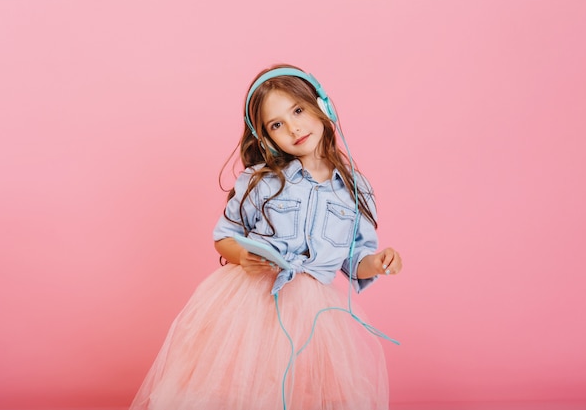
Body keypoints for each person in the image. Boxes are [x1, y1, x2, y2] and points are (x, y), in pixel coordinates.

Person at [129, 64, 403, 410]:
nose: (293, 127)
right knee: (241, 387)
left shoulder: (354, 189)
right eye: (277, 124)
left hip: (315, 311)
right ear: (265, 137)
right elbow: (224, 237)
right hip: (251, 301)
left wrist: (378, 262)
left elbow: (355, 262)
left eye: (298, 111)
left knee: (304, 392)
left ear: (323, 107)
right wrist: (242, 256)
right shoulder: (262, 180)